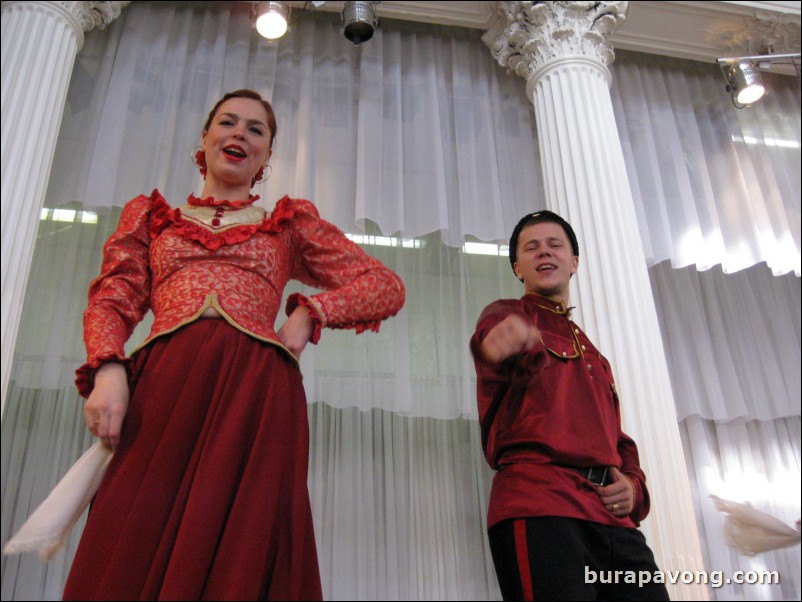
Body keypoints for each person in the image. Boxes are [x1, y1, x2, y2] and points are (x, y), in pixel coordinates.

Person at [62, 89, 405, 601]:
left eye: (256, 129)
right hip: (163, 388)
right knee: (131, 526)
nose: (240, 133)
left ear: (267, 155)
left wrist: (311, 313)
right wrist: (108, 369)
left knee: (245, 541)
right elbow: (113, 298)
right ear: (205, 137)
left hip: (258, 396)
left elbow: (384, 285)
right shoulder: (151, 217)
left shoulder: (288, 223)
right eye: (228, 122)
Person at [470, 210, 669, 601]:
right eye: (531, 247)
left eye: (554, 244)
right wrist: (500, 342)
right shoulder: (508, 314)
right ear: (517, 268)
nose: (544, 251)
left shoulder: (596, 356)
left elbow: (618, 441)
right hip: (542, 504)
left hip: (614, 520)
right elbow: (493, 340)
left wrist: (633, 488)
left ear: (574, 262)